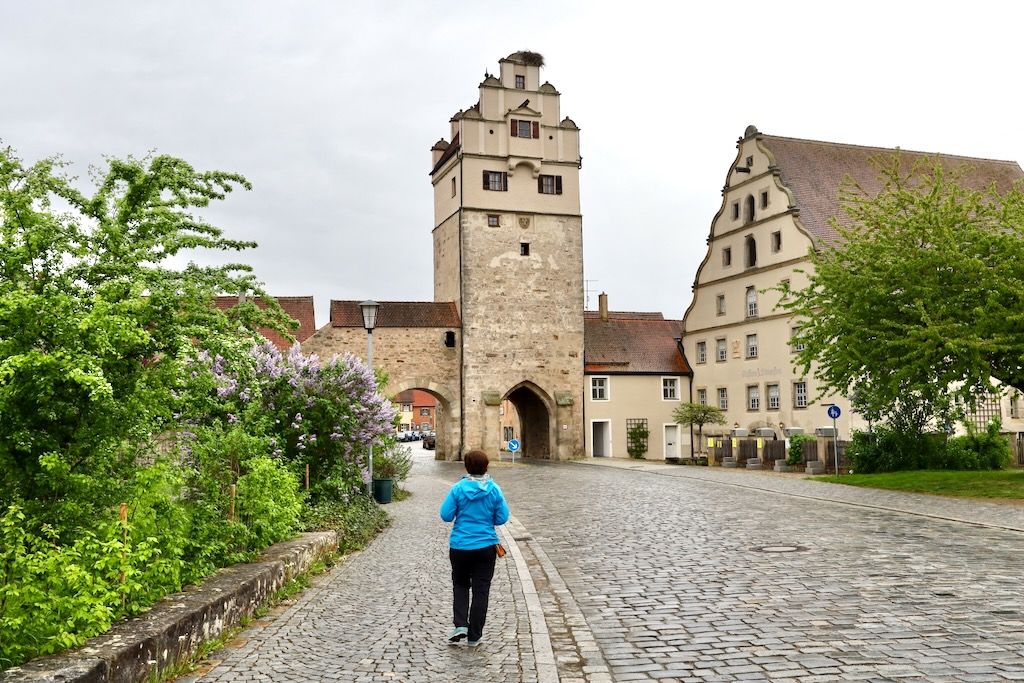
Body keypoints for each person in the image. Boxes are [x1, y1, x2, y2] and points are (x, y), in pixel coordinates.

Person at [439, 449, 510, 647]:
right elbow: (502, 517)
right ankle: (474, 636)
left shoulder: (458, 488)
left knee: (460, 585)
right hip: (485, 546)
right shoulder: (494, 489)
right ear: (486, 466)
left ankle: (460, 624)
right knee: (481, 591)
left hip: (460, 546)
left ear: (466, 466)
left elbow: (446, 515)